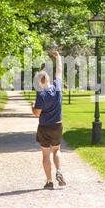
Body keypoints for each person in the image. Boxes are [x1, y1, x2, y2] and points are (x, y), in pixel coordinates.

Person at [31, 51, 66, 190]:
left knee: (46, 153)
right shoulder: (57, 87)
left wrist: (33, 106)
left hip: (44, 127)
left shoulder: (41, 95)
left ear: (40, 82)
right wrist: (58, 58)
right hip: (57, 125)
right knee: (56, 150)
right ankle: (59, 172)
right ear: (49, 79)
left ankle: (49, 181)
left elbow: (37, 114)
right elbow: (60, 70)